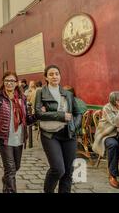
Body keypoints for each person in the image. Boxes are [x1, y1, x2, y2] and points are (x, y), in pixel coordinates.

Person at [0, 72, 36, 193]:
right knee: (11, 169)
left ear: (16, 83)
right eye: (7, 80)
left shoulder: (22, 98)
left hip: (19, 138)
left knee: (16, 167)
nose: (9, 83)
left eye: (12, 81)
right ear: (3, 82)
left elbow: (26, 119)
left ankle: (6, 180)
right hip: (4, 137)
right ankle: (10, 189)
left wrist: (38, 115)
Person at [35, 65, 82, 193]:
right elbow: (38, 114)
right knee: (58, 169)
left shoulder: (68, 94)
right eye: (51, 74)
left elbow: (78, 113)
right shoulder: (41, 92)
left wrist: (74, 126)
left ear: (60, 75)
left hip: (68, 134)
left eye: (56, 73)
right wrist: (61, 115)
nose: (54, 76)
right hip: (50, 135)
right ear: (46, 77)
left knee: (68, 172)